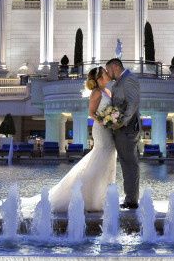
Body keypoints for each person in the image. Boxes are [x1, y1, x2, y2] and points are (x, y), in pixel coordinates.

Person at [45, 66, 116, 212]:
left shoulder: (108, 91)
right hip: (101, 129)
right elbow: (91, 112)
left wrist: (113, 120)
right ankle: (91, 198)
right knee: (101, 156)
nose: (108, 75)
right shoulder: (96, 93)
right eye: (105, 73)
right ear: (99, 78)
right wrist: (104, 121)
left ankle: (102, 196)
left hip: (109, 129)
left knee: (109, 157)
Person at [105, 57, 141, 209]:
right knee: (126, 163)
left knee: (129, 163)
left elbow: (133, 104)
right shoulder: (117, 83)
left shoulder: (129, 79)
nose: (108, 73)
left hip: (127, 129)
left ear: (115, 67)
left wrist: (122, 121)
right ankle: (130, 197)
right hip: (121, 130)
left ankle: (132, 200)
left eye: (108, 70)